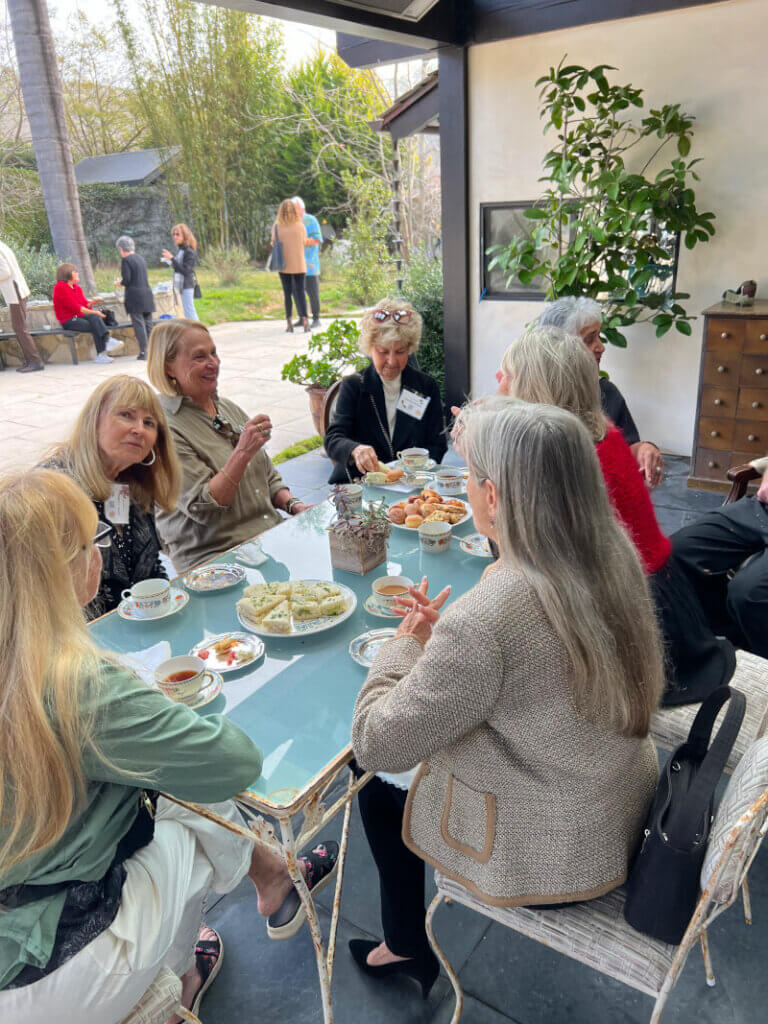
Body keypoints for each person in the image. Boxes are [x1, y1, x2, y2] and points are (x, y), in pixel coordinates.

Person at [349, 397, 664, 997]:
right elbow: (536, 658)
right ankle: (404, 940)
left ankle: (405, 943)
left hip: (556, 854)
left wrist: (406, 644)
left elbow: (376, 739)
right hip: (620, 802)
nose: (465, 490)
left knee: (369, 776)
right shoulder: (609, 549)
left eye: (469, 478)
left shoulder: (490, 615)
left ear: (494, 497)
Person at [0, 468, 338, 1023]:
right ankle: (267, 880)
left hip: (20, 916)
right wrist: (161, 718)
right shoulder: (75, 683)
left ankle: (219, 933)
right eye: (95, 543)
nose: (101, 557)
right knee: (186, 798)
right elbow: (235, 762)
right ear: (63, 571)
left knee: (164, 786)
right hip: (55, 966)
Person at [496, 326, 735, 705]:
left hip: (637, 629)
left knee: (505, 650)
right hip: (656, 598)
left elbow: (534, 558)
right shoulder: (598, 431)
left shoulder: (566, 456)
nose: (499, 384)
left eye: (508, 376)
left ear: (536, 388)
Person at [148, 319, 311, 573]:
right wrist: (242, 453)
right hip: (216, 561)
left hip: (267, 540)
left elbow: (267, 475)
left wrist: (294, 506)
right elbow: (205, 508)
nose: (213, 363)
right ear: (168, 367)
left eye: (213, 352)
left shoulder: (227, 408)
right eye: (199, 357)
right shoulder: (164, 430)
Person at [46, 375, 181, 619]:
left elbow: (150, 568)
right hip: (80, 641)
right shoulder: (53, 490)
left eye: (149, 423)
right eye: (126, 415)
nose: (139, 429)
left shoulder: (133, 483)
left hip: (139, 631)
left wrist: (166, 610)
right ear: (94, 420)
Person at [538, 296, 664, 488]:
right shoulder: (532, 399)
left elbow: (627, 447)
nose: (601, 347)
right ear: (559, 348)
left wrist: (645, 450)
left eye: (598, 336)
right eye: (589, 340)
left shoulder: (606, 392)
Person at [324, 299, 447, 484]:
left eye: (400, 352)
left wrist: (420, 471)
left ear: (410, 349)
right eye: (383, 352)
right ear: (370, 349)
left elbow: (437, 443)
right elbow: (333, 439)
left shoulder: (425, 387)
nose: (392, 361)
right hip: (363, 483)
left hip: (411, 485)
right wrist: (355, 449)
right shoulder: (354, 386)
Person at [672, 457, 768, 658]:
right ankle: (729, 641)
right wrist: (762, 465)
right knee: (677, 552)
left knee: (749, 592)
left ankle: (760, 665)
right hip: (761, 509)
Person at [52, 263, 120, 364]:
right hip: (69, 320)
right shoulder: (60, 287)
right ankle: (104, 346)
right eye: (75, 272)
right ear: (67, 274)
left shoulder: (77, 288)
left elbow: (84, 305)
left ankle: (104, 347)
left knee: (95, 320)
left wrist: (92, 303)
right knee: (95, 322)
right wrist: (95, 312)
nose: (78, 273)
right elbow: (77, 308)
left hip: (79, 317)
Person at [0, 239, 44, 372]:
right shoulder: (2, 245)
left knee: (20, 328)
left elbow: (5, 272)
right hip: (17, 290)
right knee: (19, 328)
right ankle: (30, 361)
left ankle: (35, 361)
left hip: (15, 291)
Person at [115, 235, 155, 360]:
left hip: (135, 297)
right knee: (148, 324)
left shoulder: (126, 260)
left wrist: (119, 283)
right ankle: (154, 350)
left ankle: (144, 352)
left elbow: (127, 279)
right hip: (147, 294)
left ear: (122, 249)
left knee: (139, 325)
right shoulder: (141, 259)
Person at [271, 199, 309, 333]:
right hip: (299, 264)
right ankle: (305, 321)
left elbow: (273, 242)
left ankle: (289, 322)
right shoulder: (300, 226)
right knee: (300, 292)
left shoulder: (276, 226)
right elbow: (304, 241)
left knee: (287, 293)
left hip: (284, 265)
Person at [292, 195, 322, 329]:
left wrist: (301, 242)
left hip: (309, 265)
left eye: (293, 207)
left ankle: (316, 318)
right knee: (296, 292)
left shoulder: (310, 220)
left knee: (312, 292)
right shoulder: (290, 222)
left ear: (300, 207)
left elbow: (317, 239)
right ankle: (302, 317)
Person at [162, 223, 199, 321]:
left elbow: (186, 271)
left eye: (177, 234)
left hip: (186, 285)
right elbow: (178, 268)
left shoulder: (189, 251)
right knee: (187, 312)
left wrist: (172, 259)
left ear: (185, 235)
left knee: (190, 312)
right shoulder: (181, 250)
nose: (175, 237)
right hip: (182, 285)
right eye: (173, 234)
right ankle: (195, 333)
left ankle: (199, 333)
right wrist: (169, 260)